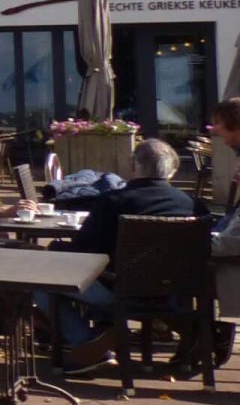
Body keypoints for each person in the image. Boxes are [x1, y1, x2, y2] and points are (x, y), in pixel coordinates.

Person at [41, 139, 207, 375]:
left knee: (44, 281)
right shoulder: (194, 206)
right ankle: (104, 329)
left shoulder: (112, 202)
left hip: (119, 290)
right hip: (174, 292)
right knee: (102, 269)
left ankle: (87, 343)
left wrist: (56, 250)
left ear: (133, 166)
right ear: (173, 170)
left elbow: (82, 251)